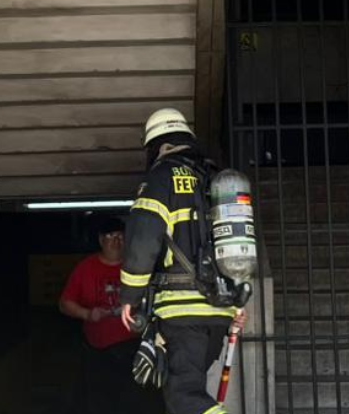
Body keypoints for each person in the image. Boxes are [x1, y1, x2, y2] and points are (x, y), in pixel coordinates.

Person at [119, 108, 246, 414]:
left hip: (182, 311)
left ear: (157, 145)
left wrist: (130, 296)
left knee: (183, 396)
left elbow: (143, 237)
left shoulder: (161, 178)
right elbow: (239, 244)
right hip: (222, 310)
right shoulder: (216, 178)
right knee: (190, 393)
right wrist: (240, 303)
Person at [59, 216, 162, 414]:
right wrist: (88, 314)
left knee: (136, 402)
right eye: (111, 236)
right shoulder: (86, 268)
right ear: (101, 240)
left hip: (135, 350)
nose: (117, 241)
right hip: (98, 353)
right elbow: (65, 304)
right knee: (100, 403)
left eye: (121, 236)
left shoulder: (137, 266)